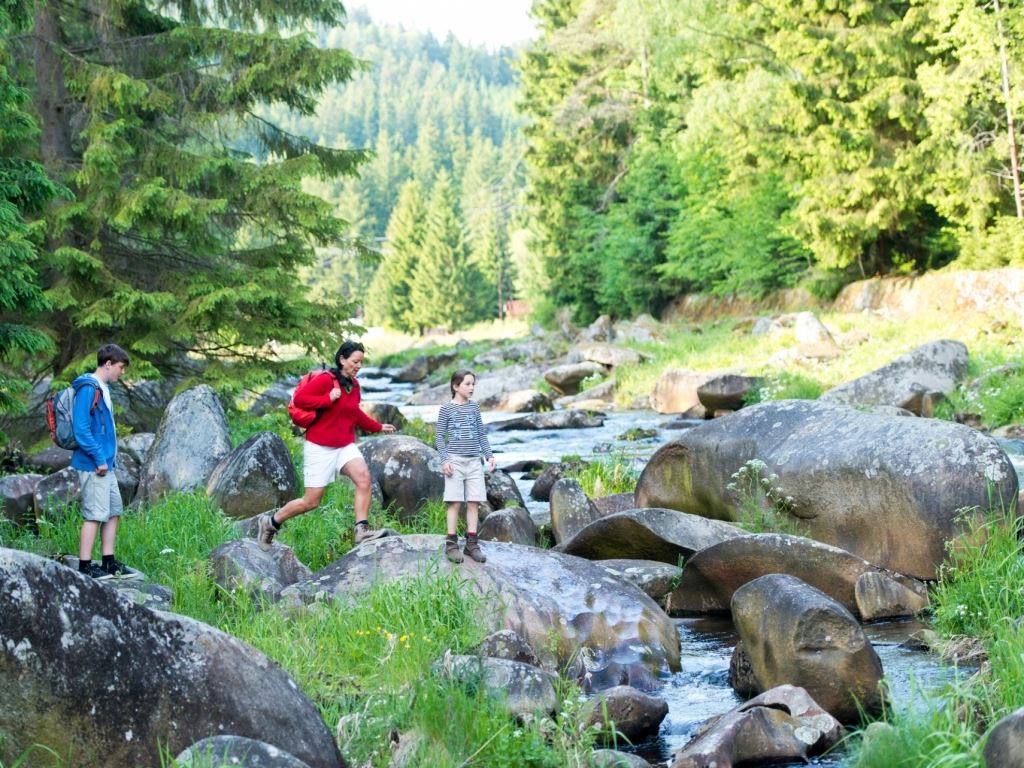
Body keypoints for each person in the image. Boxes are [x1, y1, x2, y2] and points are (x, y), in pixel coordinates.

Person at [257, 340, 396, 549]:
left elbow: (354, 412)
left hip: (344, 445)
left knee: (364, 479)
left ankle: (362, 530)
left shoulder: (354, 385)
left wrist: (377, 426)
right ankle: (270, 523)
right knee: (311, 502)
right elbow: (300, 399)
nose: (358, 366)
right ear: (342, 359)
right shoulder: (325, 380)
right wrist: (327, 399)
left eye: (361, 362)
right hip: (320, 447)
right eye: (355, 361)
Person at [72, 343, 140, 580]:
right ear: (108, 364)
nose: (123, 372)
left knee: (113, 511)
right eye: (121, 367)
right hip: (94, 465)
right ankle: (85, 566)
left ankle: (108, 562)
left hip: (106, 465)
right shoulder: (88, 388)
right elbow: (80, 429)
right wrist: (99, 458)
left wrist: (109, 460)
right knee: (95, 513)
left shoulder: (103, 388)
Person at [435, 369, 495, 563]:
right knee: (454, 502)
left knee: (474, 502)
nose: (471, 388)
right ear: (455, 386)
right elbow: (439, 437)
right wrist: (444, 460)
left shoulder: (474, 407)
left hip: (474, 462)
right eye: (467, 384)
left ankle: (471, 544)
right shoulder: (446, 409)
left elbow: (481, 433)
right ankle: (451, 544)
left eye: (473, 384)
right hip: (455, 461)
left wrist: (488, 455)